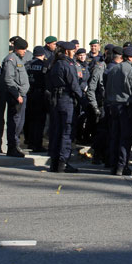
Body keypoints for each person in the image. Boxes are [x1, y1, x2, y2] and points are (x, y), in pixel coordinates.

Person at [105, 46, 132, 175]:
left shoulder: (113, 69)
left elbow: (107, 88)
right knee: (125, 137)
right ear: (130, 58)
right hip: (126, 107)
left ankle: (114, 165)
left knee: (114, 136)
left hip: (113, 105)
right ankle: (122, 166)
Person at [47, 42, 83, 173]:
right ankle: (63, 162)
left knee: (57, 131)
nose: (74, 52)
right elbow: (74, 84)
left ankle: (54, 162)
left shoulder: (55, 63)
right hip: (66, 100)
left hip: (56, 100)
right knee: (66, 132)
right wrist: (82, 100)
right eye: (73, 51)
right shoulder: (67, 64)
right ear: (67, 51)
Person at [2, 37, 30, 158]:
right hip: (16, 96)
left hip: (22, 95)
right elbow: (9, 79)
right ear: (17, 48)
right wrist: (16, 95)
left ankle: (16, 144)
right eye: (22, 49)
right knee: (15, 121)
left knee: (20, 122)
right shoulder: (11, 59)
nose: (24, 51)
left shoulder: (19, 59)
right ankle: (12, 146)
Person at [25, 46, 48, 152]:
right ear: (43, 54)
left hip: (29, 94)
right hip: (40, 94)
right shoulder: (44, 65)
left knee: (30, 119)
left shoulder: (27, 64)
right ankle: (37, 144)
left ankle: (29, 142)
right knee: (39, 121)